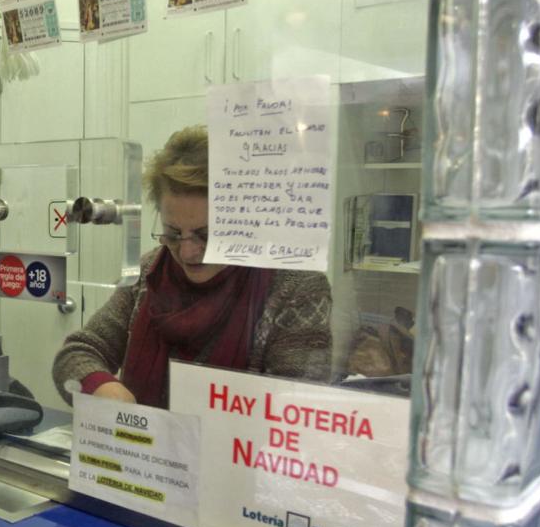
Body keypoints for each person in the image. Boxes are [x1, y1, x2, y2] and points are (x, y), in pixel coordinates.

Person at [53, 126, 331, 409]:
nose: (187, 252)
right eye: (172, 233)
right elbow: (78, 352)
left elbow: (296, 412)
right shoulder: (151, 270)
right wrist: (100, 387)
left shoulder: (293, 287)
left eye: (207, 235)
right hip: (145, 449)